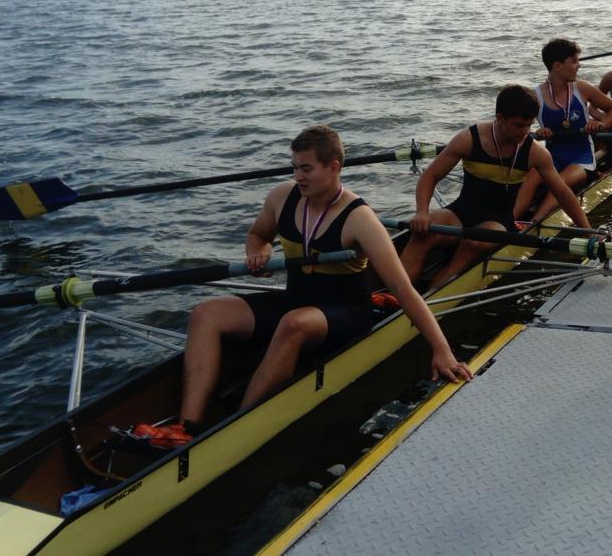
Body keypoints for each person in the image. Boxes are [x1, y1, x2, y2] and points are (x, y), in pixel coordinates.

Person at [136, 126, 472, 447]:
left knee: (293, 324)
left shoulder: (360, 218)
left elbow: (402, 287)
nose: (298, 176)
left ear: (333, 167)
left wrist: (441, 349)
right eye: (295, 167)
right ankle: (186, 427)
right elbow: (257, 235)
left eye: (306, 169)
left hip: (347, 311)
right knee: (206, 313)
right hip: (296, 300)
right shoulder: (282, 197)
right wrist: (257, 254)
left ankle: (235, 429)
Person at [401, 85, 594, 288]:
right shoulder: (469, 139)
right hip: (461, 212)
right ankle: (396, 292)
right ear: (500, 118)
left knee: (473, 243)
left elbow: (563, 194)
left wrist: (588, 232)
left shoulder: (535, 153)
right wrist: (421, 212)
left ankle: (429, 295)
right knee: (422, 235)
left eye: (529, 125)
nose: (525, 132)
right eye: (519, 125)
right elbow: (430, 176)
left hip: (498, 221)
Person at [513, 39, 612, 221]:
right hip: (552, 158)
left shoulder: (582, 89)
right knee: (532, 175)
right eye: (574, 61)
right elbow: (520, 129)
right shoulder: (535, 96)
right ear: (557, 66)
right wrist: (540, 132)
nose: (579, 65)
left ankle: (534, 223)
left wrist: (602, 124)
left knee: (559, 182)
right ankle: (509, 221)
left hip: (582, 159)